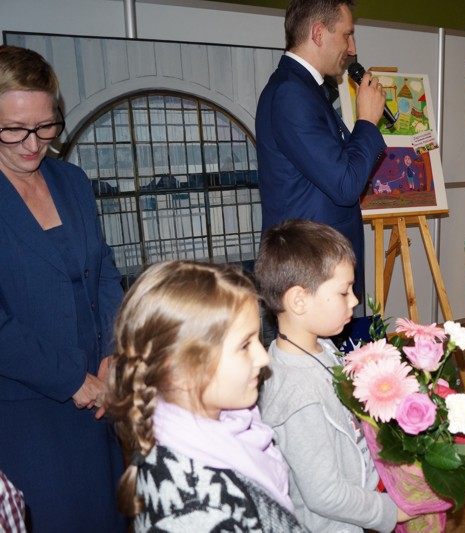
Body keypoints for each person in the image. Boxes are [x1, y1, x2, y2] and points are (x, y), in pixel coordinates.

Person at [0, 45, 126, 531]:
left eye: (46, 126)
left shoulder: (71, 180)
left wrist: (113, 351)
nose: (33, 144)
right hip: (26, 409)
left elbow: (105, 270)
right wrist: (71, 379)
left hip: (98, 398)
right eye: (14, 129)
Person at [104, 261, 307, 531]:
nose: (263, 357)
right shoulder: (197, 512)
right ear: (181, 371)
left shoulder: (228, 424)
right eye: (244, 345)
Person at [255, 219, 411, 532]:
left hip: (360, 500)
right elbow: (325, 495)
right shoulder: (298, 397)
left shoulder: (320, 346)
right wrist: (391, 512)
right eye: (343, 292)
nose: (354, 300)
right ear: (299, 300)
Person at [256, 0, 387, 301]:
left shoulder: (307, 89)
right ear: (318, 33)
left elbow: (338, 167)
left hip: (320, 268)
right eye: (347, 35)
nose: (352, 48)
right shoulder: (291, 93)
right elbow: (345, 184)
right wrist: (367, 121)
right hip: (310, 272)